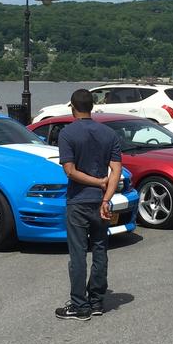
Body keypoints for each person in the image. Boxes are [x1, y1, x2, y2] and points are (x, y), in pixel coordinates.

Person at [55, 88, 122, 321]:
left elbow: (70, 171)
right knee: (100, 249)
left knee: (78, 254)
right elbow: (116, 170)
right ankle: (96, 301)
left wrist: (97, 182)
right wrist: (106, 198)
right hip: (100, 202)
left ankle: (79, 305)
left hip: (78, 201)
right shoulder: (109, 134)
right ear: (92, 107)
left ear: (73, 108)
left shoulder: (67, 133)